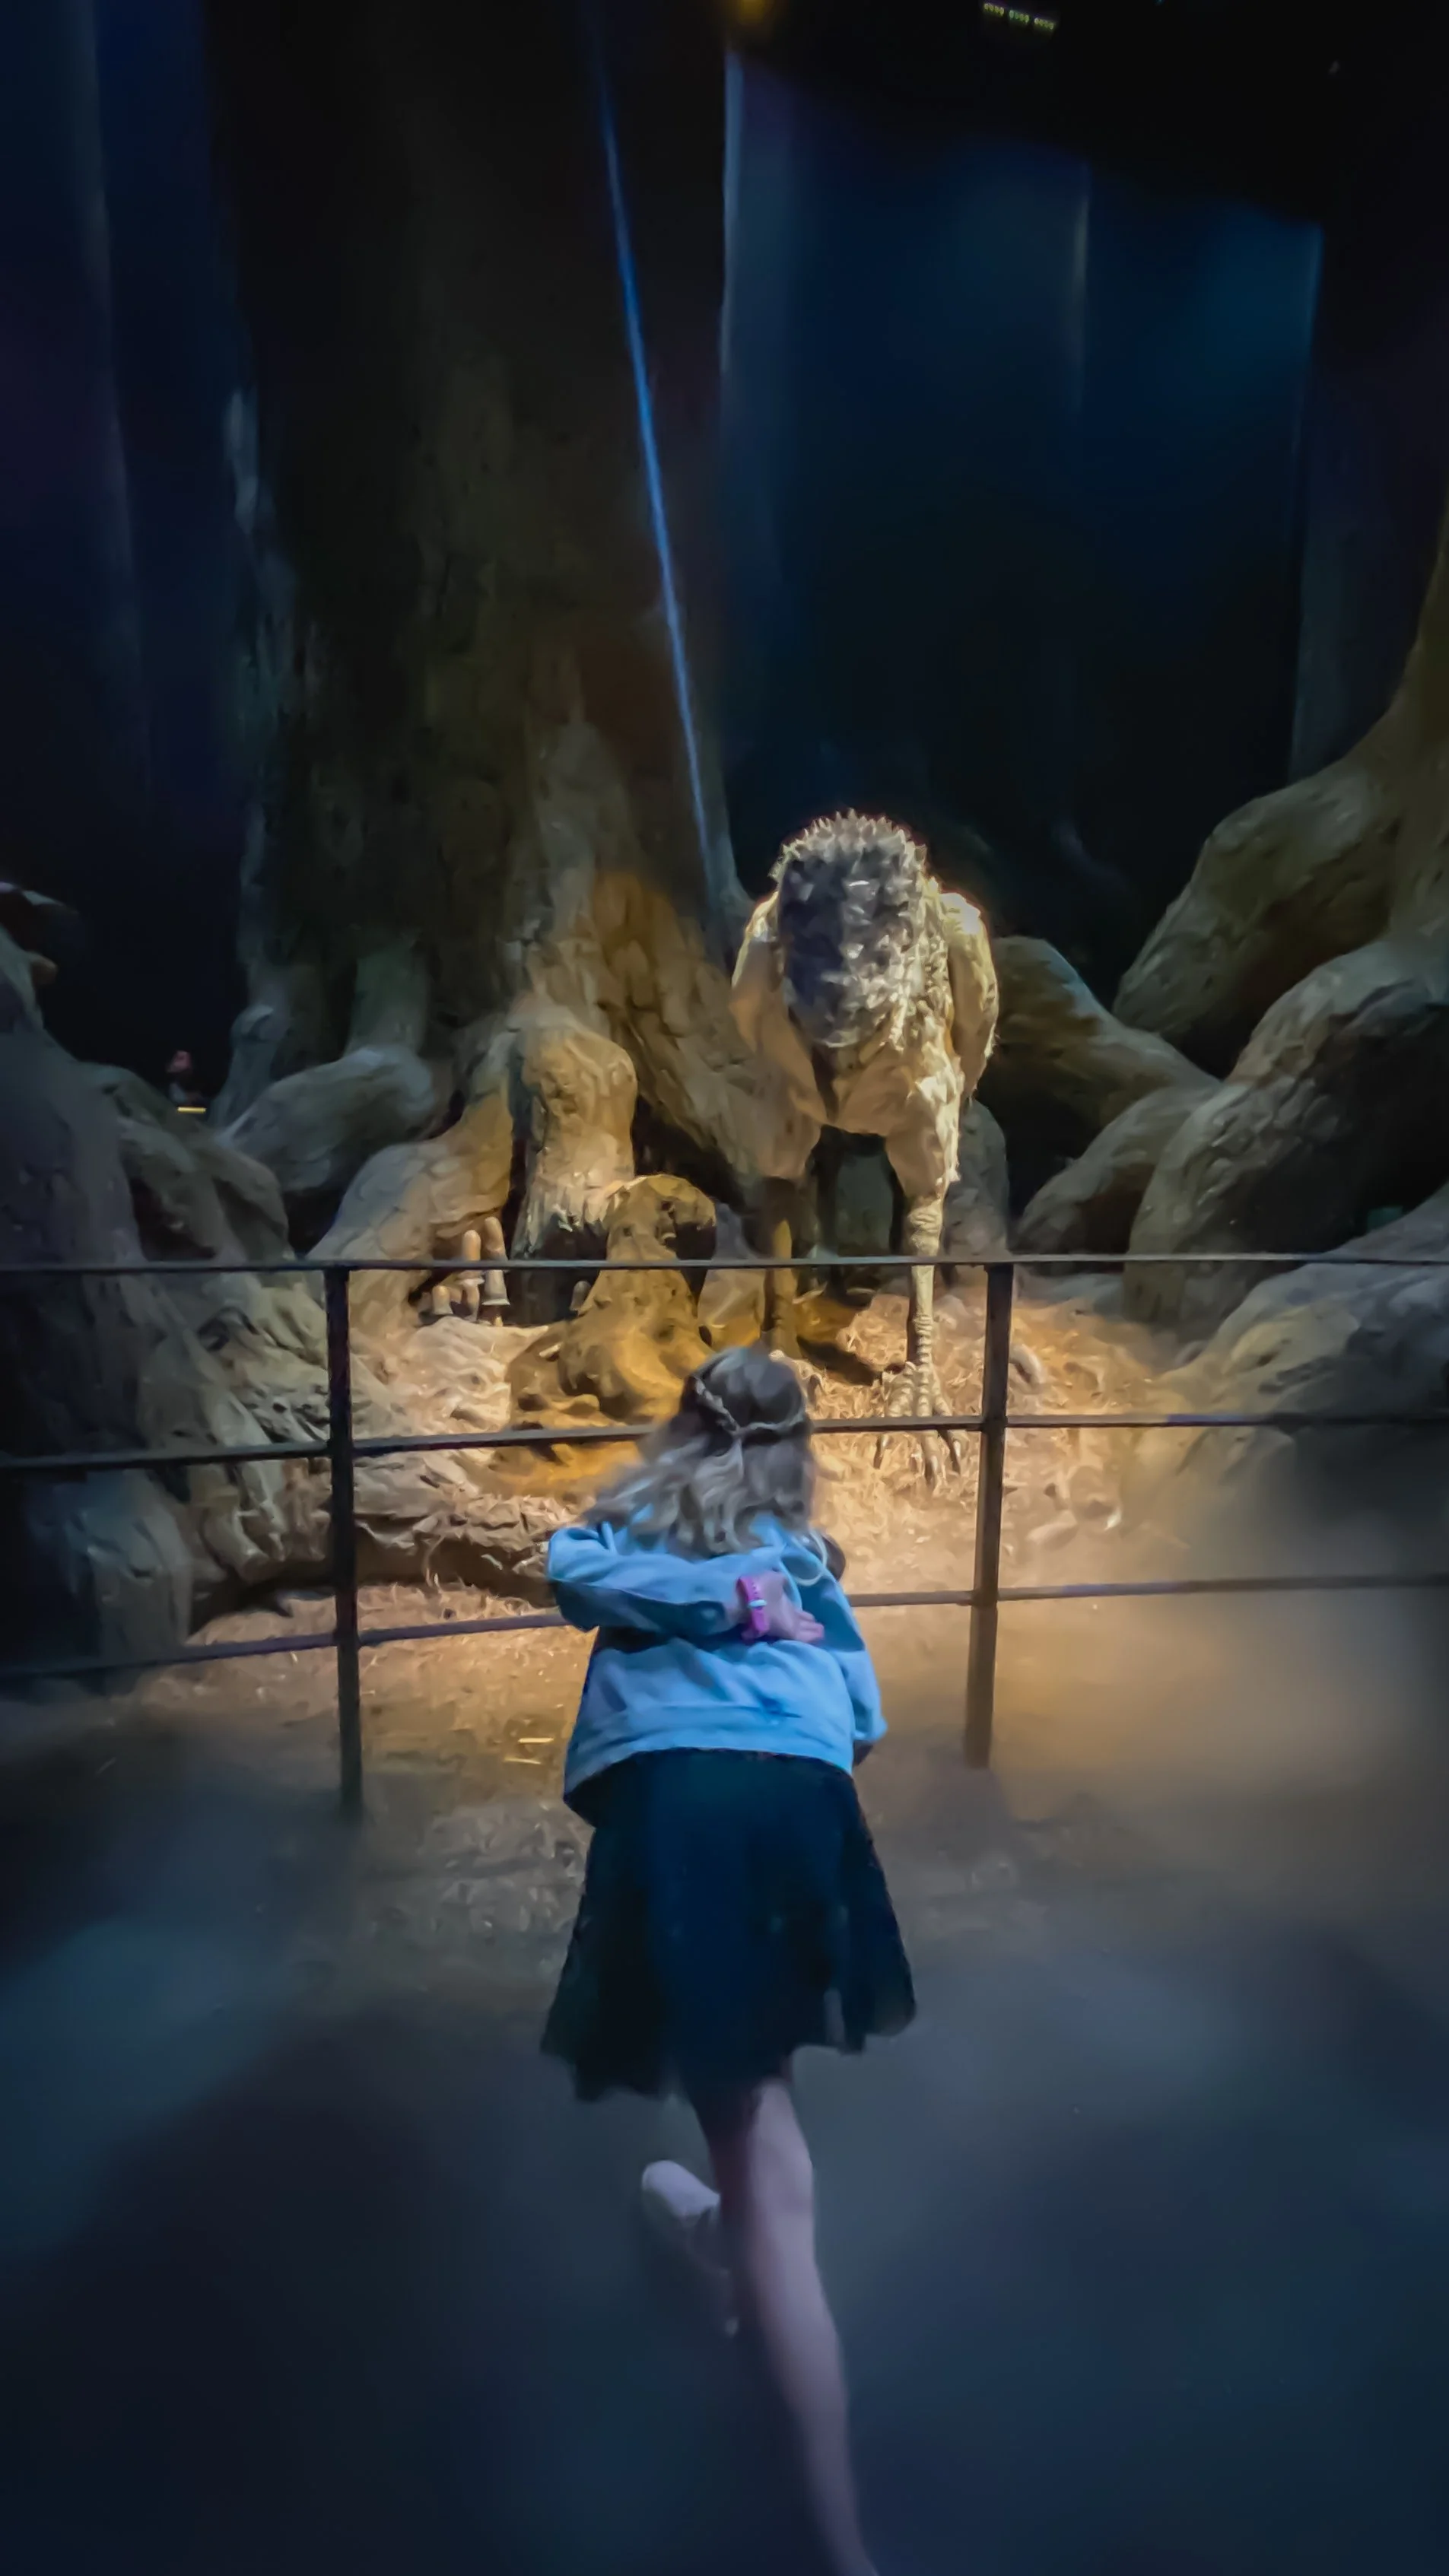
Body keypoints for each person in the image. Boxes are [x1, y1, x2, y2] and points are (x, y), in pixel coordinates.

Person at [544, 1344, 914, 2576]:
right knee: (754, 2122)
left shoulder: (637, 1519)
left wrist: (702, 1610)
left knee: (769, 2171)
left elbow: (567, 1569)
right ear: (798, 1450)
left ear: (682, 1429)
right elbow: (865, 1716)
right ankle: (728, 2245)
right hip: (803, 1803)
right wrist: (761, 1609)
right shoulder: (807, 1563)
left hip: (694, 1807)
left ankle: (838, 2543)